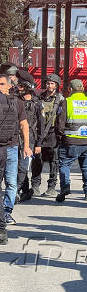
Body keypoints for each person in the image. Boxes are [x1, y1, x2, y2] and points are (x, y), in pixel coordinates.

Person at [55, 79, 87, 202]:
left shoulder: (67, 102)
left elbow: (60, 123)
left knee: (64, 165)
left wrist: (60, 137)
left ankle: (65, 187)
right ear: (83, 89)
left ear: (70, 89)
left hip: (71, 140)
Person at [0, 74, 32, 228]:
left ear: (9, 86)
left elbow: (24, 125)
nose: (0, 87)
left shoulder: (17, 103)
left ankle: (7, 211)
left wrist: (26, 146)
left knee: (11, 182)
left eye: (1, 84)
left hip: (12, 147)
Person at [31, 73, 64, 197]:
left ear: (56, 85)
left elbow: (62, 119)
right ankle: (35, 186)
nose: (49, 85)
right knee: (37, 161)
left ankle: (51, 187)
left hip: (53, 133)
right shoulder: (39, 97)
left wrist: (61, 135)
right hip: (39, 133)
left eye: (52, 83)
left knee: (53, 161)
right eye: (47, 83)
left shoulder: (60, 99)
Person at [15, 70, 43, 203]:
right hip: (15, 138)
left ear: (27, 87)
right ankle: (25, 190)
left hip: (30, 139)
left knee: (23, 166)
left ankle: (15, 190)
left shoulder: (37, 103)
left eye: (20, 86)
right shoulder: (15, 100)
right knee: (16, 166)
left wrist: (39, 144)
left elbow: (41, 124)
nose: (17, 88)